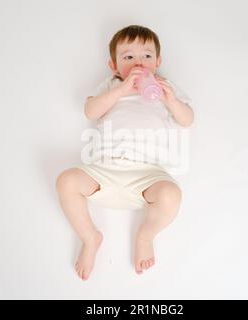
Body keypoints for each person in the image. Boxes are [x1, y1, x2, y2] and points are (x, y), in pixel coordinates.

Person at [55, 25, 194, 281]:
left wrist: (170, 100)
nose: (139, 63)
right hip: (105, 170)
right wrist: (120, 91)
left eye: (147, 56)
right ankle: (89, 237)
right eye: (129, 57)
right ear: (114, 66)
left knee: (171, 194)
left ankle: (146, 234)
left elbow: (187, 119)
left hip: (148, 174)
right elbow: (91, 111)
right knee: (66, 181)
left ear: (158, 61)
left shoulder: (166, 88)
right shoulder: (110, 86)